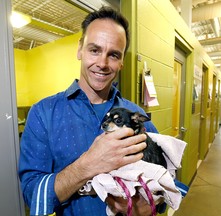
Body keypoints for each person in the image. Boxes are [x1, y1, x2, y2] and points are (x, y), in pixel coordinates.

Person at [18, 6, 161, 216]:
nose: (102, 63)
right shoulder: (43, 113)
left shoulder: (136, 116)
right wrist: (88, 165)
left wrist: (151, 204)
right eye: (94, 50)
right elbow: (32, 193)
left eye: (113, 55)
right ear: (80, 50)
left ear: (121, 62)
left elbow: (167, 178)